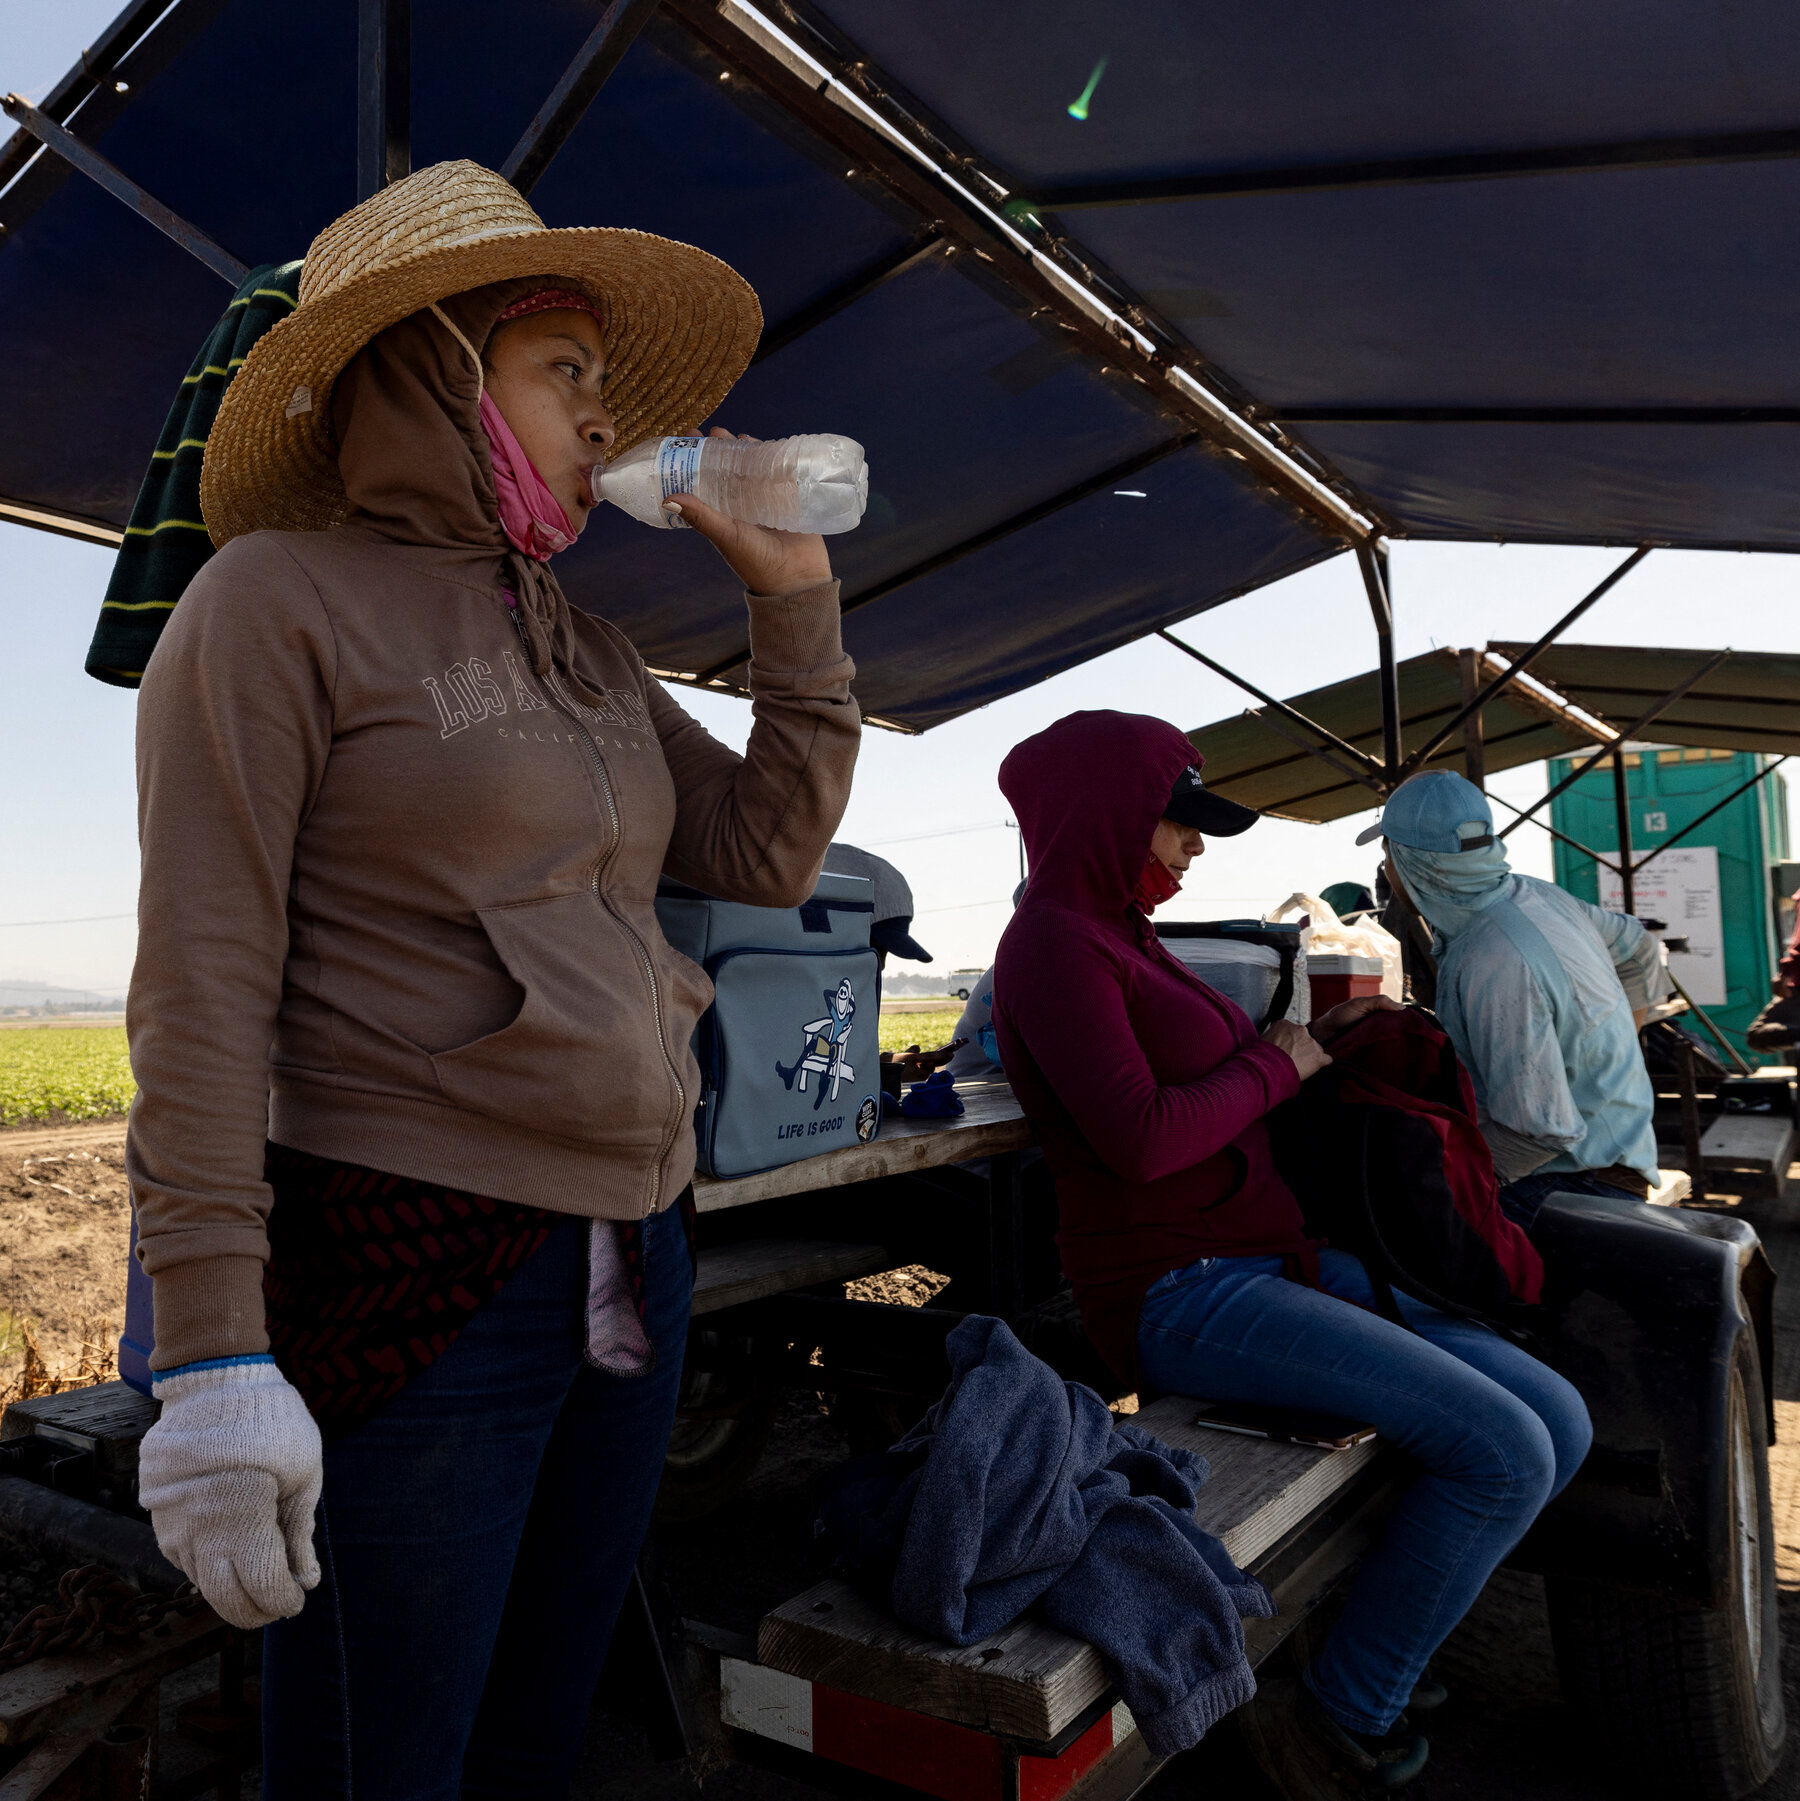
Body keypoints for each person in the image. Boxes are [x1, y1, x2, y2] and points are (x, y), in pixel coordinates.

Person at [126, 161, 860, 1798]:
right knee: (380, 1758)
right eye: (567, 371)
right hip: (414, 1261)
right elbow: (201, 981)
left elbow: (760, 852)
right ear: (439, 366)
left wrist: (794, 605)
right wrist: (216, 1356)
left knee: (543, 1729)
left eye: (605, 379)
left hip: (636, 1248)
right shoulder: (275, 603)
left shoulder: (583, 643)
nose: (604, 417)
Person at [992, 711, 1591, 1796]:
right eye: (1178, 820)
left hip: (1268, 1262)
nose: (1196, 846)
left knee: (1560, 1416)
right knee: (1503, 1449)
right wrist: (1286, 1060)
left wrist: (1320, 1060)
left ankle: (1373, 1642)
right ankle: (1338, 1706)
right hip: (1177, 1291)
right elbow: (1141, 1137)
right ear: (1106, 813)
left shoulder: (1125, 935)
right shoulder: (1052, 944)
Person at [1359, 770, 1668, 1227]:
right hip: (1621, 1152)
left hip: (1573, 1183)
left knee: (1382, 1219)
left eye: (1388, 856)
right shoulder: (1540, 896)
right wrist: (1614, 1040)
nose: (1386, 870)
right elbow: (1640, 944)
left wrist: (1452, 1180)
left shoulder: (1492, 958)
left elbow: (1539, 1133)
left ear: (1411, 863)